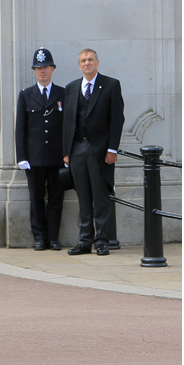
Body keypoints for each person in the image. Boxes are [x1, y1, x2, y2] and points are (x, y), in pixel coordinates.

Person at [62, 48, 125, 256]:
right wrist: (66, 152)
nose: (87, 63)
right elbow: (67, 123)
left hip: (100, 150)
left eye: (90, 59)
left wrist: (112, 149)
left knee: (101, 197)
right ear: (79, 65)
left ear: (97, 62)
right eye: (83, 60)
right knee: (83, 197)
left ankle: (102, 241)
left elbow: (117, 120)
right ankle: (84, 241)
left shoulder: (111, 85)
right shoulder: (71, 88)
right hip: (77, 149)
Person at [15, 48, 65, 251]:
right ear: (34, 71)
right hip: (34, 158)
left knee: (55, 198)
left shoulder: (63, 93)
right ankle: (39, 237)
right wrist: (22, 157)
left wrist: (67, 154)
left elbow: (68, 127)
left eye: (45, 67)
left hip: (57, 156)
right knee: (35, 198)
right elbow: (21, 128)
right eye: (38, 68)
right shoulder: (26, 95)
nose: (42, 71)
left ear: (52, 68)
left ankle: (53, 237)